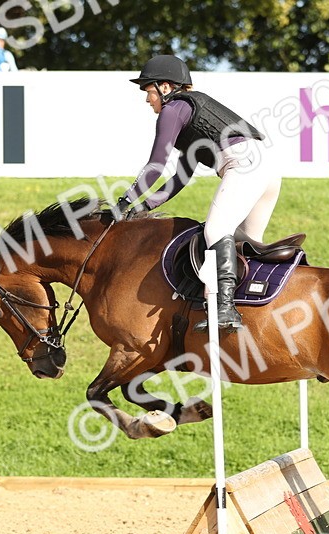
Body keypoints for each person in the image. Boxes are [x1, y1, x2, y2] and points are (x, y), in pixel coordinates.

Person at [115, 55, 281, 333]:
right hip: (267, 168)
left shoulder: (173, 109)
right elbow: (180, 176)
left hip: (244, 165)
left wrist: (126, 200)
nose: (147, 100)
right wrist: (145, 206)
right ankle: (257, 312)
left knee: (216, 232)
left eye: (149, 91)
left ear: (165, 87)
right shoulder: (190, 113)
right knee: (247, 244)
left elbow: (156, 165)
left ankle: (224, 310)